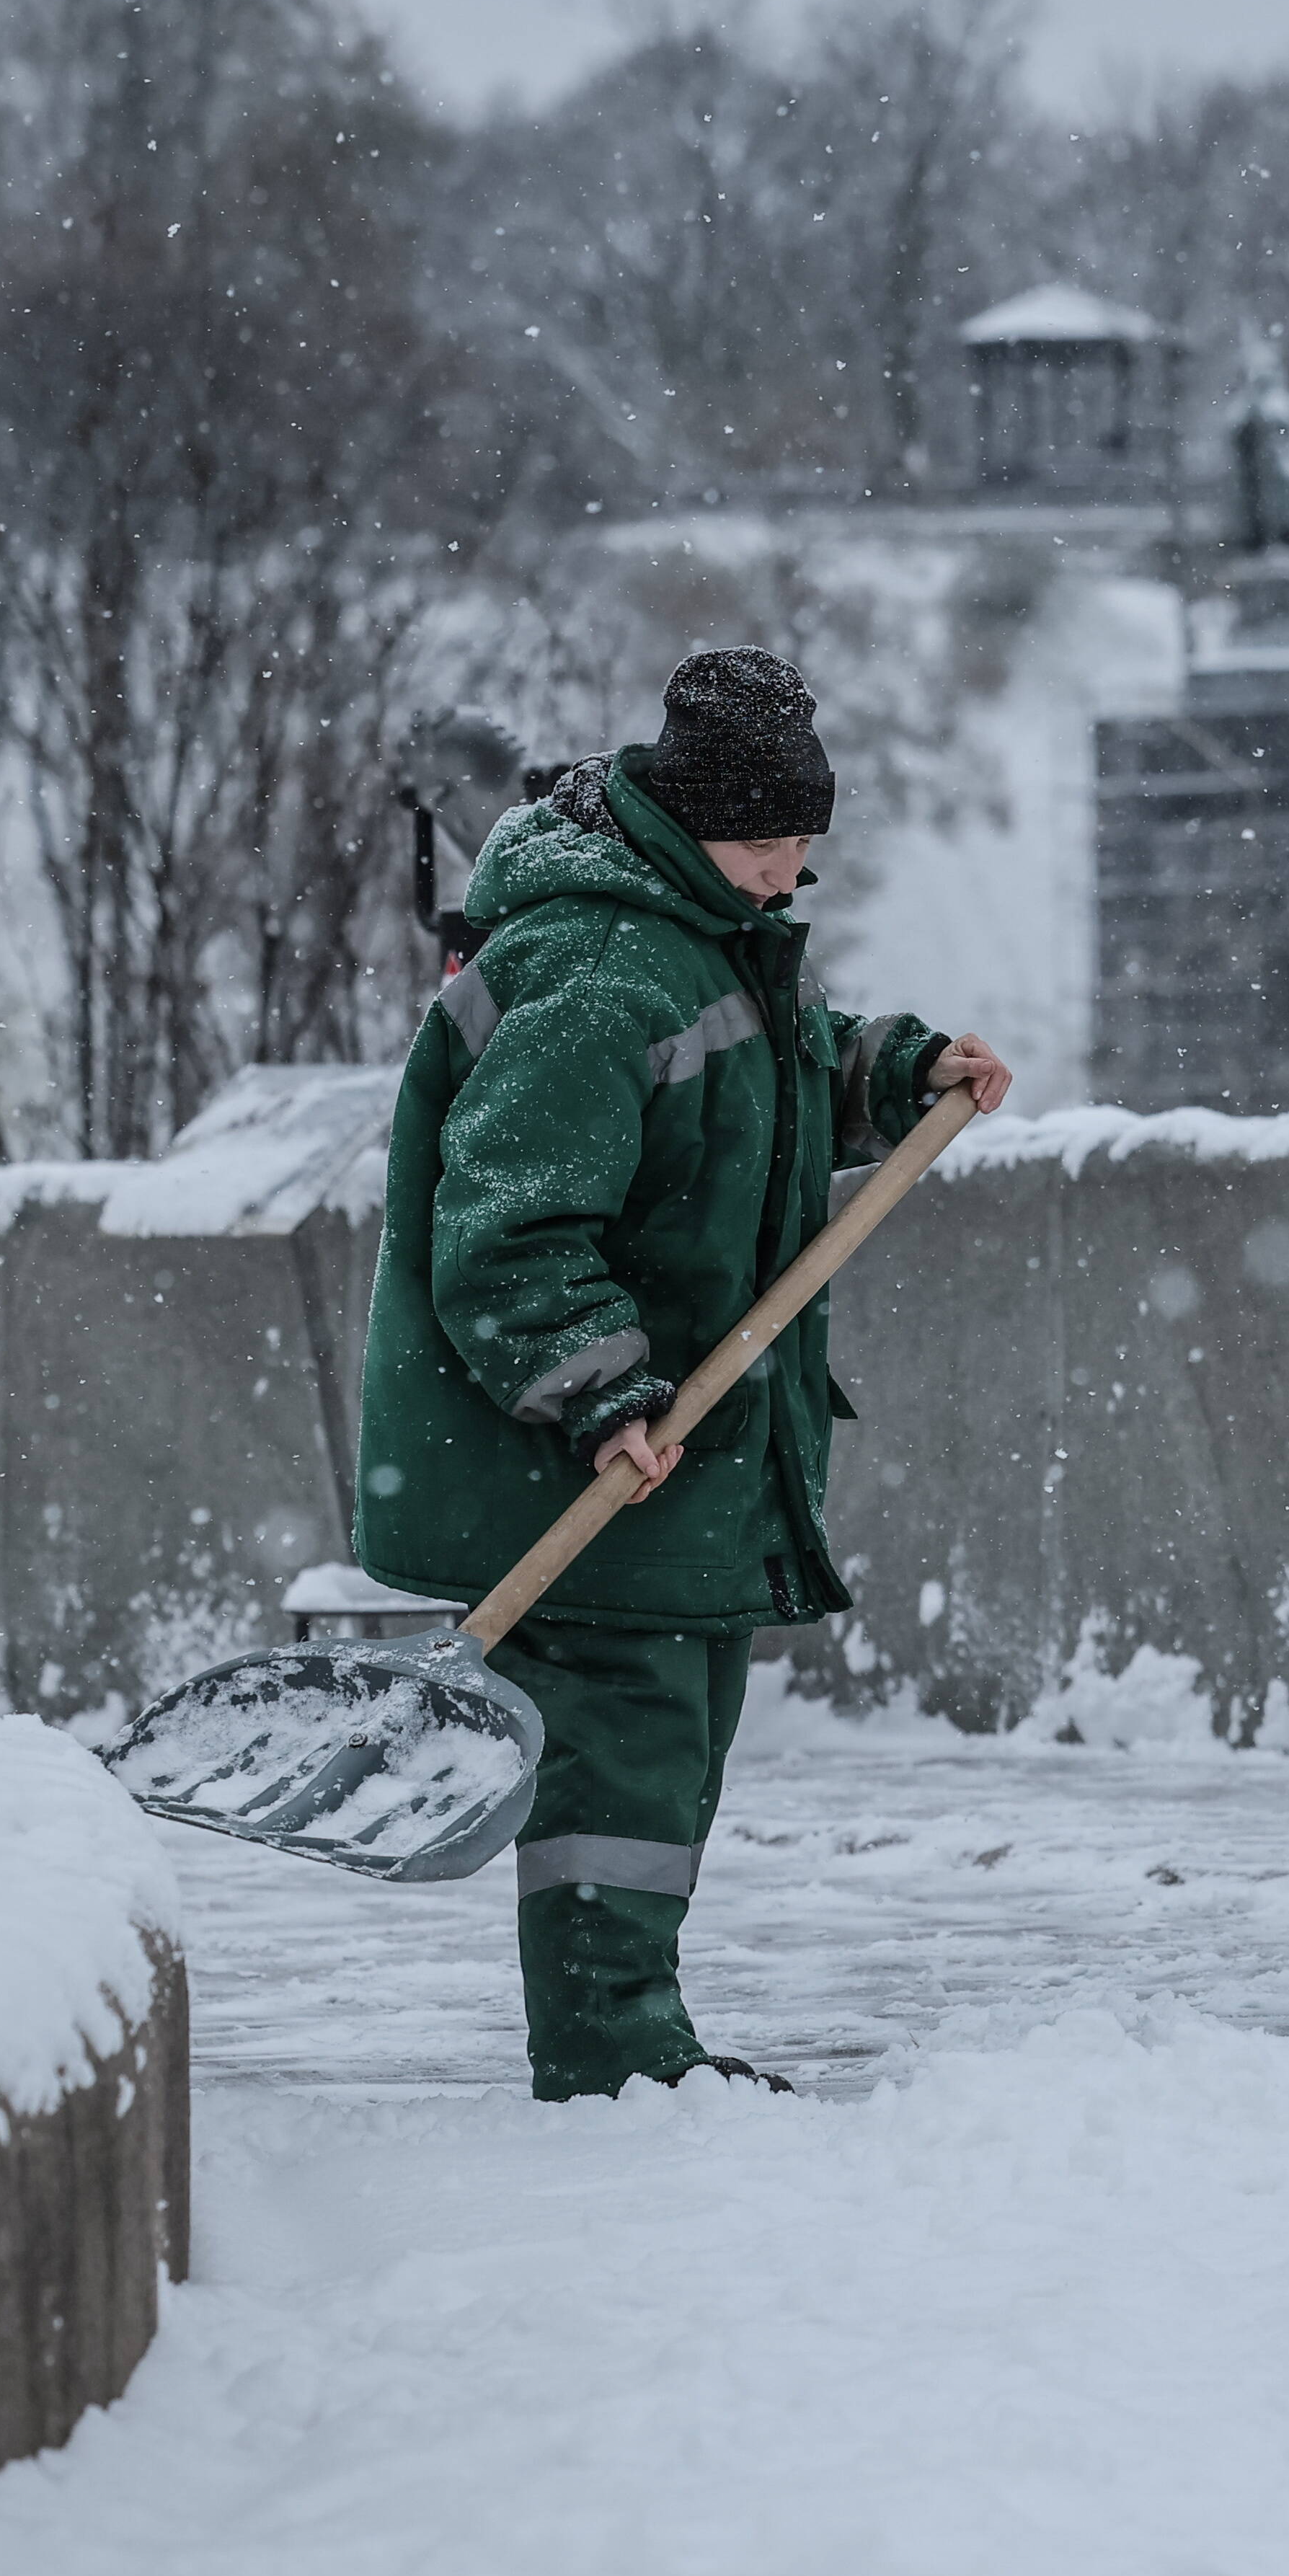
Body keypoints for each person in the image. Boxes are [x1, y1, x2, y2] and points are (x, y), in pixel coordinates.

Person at [356, 647, 1011, 2098]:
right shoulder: (601, 964)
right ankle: (610, 2058)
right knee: (624, 1755)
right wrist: (597, 1389)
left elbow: (767, 1078)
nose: (789, 875)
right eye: (769, 843)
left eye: (802, 847)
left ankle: (631, 2037)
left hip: (676, 1443)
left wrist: (894, 1071)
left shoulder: (701, 929)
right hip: (575, 1443)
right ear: (692, 818)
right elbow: (511, 1226)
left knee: (668, 1740)